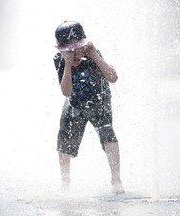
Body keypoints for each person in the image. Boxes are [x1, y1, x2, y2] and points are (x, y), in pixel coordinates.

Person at [53, 20, 124, 193]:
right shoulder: (60, 60)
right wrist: (68, 64)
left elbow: (113, 77)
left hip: (99, 100)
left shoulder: (93, 54)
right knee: (64, 139)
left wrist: (95, 56)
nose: (75, 54)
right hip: (74, 101)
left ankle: (116, 180)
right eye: (69, 51)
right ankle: (65, 182)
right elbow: (66, 91)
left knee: (108, 133)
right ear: (60, 49)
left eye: (78, 48)